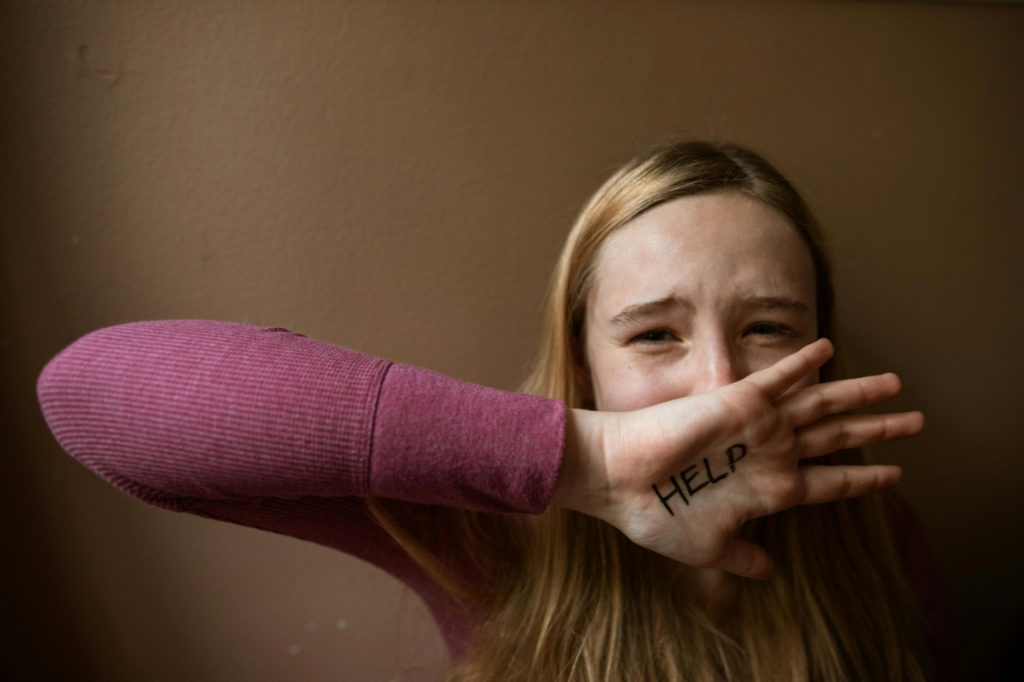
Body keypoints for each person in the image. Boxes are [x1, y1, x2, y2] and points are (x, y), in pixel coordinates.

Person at [36, 140, 954, 681]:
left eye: (767, 327)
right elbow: (86, 395)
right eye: (653, 336)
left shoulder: (879, 538)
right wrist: (588, 465)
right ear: (582, 363)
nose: (717, 380)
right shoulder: (495, 539)